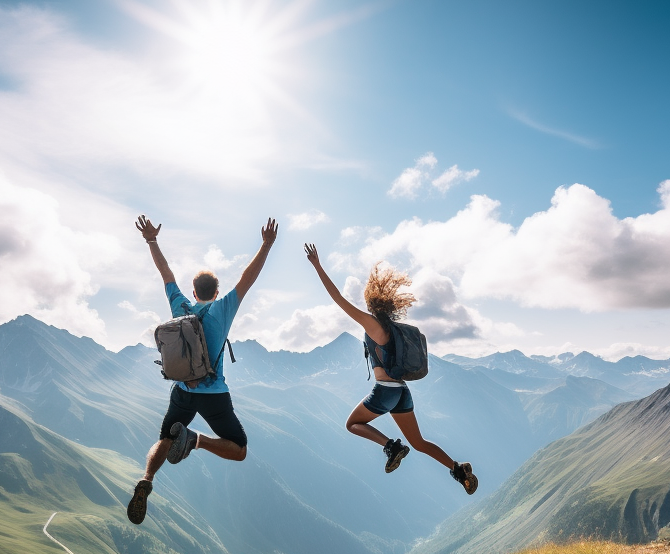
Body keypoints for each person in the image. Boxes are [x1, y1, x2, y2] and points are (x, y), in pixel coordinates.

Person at [127, 214, 278, 524]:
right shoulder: (223, 308)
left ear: (193, 293)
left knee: (165, 439)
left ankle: (146, 479)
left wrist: (152, 240)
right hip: (214, 394)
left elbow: (165, 272)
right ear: (216, 292)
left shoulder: (179, 306)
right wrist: (266, 245)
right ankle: (196, 440)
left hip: (181, 389)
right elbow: (247, 279)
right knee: (240, 449)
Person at [304, 243, 478, 494]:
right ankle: (458, 469)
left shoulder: (373, 326)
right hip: (402, 391)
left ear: (372, 304)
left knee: (352, 424)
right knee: (419, 443)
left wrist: (318, 267)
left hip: (386, 390)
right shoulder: (394, 329)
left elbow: (338, 300)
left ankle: (391, 447)